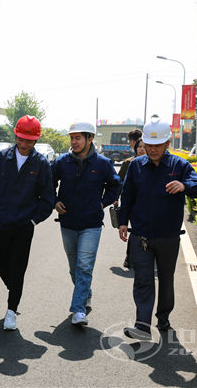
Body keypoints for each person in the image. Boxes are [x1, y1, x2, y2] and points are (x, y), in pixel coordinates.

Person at [117, 119, 197, 340]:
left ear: (167, 144)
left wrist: (184, 185)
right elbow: (127, 195)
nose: (153, 149)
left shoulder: (180, 166)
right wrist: (122, 221)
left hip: (168, 236)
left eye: (158, 145)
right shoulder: (136, 166)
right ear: (144, 143)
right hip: (141, 235)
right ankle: (142, 326)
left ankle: (163, 317)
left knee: (166, 279)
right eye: (149, 144)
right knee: (143, 280)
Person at [0, 115, 55, 331]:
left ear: (35, 141)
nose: (24, 145)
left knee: (18, 267)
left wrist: (34, 220)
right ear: (16, 136)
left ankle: (11, 310)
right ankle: (15, 289)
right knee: (2, 264)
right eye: (21, 139)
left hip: (24, 225)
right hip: (3, 221)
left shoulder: (41, 163)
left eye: (29, 141)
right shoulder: (2, 158)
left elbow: (48, 198)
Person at [52, 122, 121, 326]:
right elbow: (47, 183)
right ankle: (86, 293)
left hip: (91, 224)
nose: (73, 142)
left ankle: (78, 310)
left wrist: (102, 202)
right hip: (67, 223)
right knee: (74, 268)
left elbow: (115, 185)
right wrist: (54, 201)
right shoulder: (61, 162)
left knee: (84, 266)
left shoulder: (102, 164)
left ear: (89, 139)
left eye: (78, 138)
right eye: (71, 138)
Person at [117, 137, 146, 268]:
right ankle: (130, 256)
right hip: (130, 203)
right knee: (134, 232)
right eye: (139, 147)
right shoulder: (128, 163)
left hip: (144, 204)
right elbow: (119, 183)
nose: (142, 149)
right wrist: (116, 198)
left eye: (144, 147)